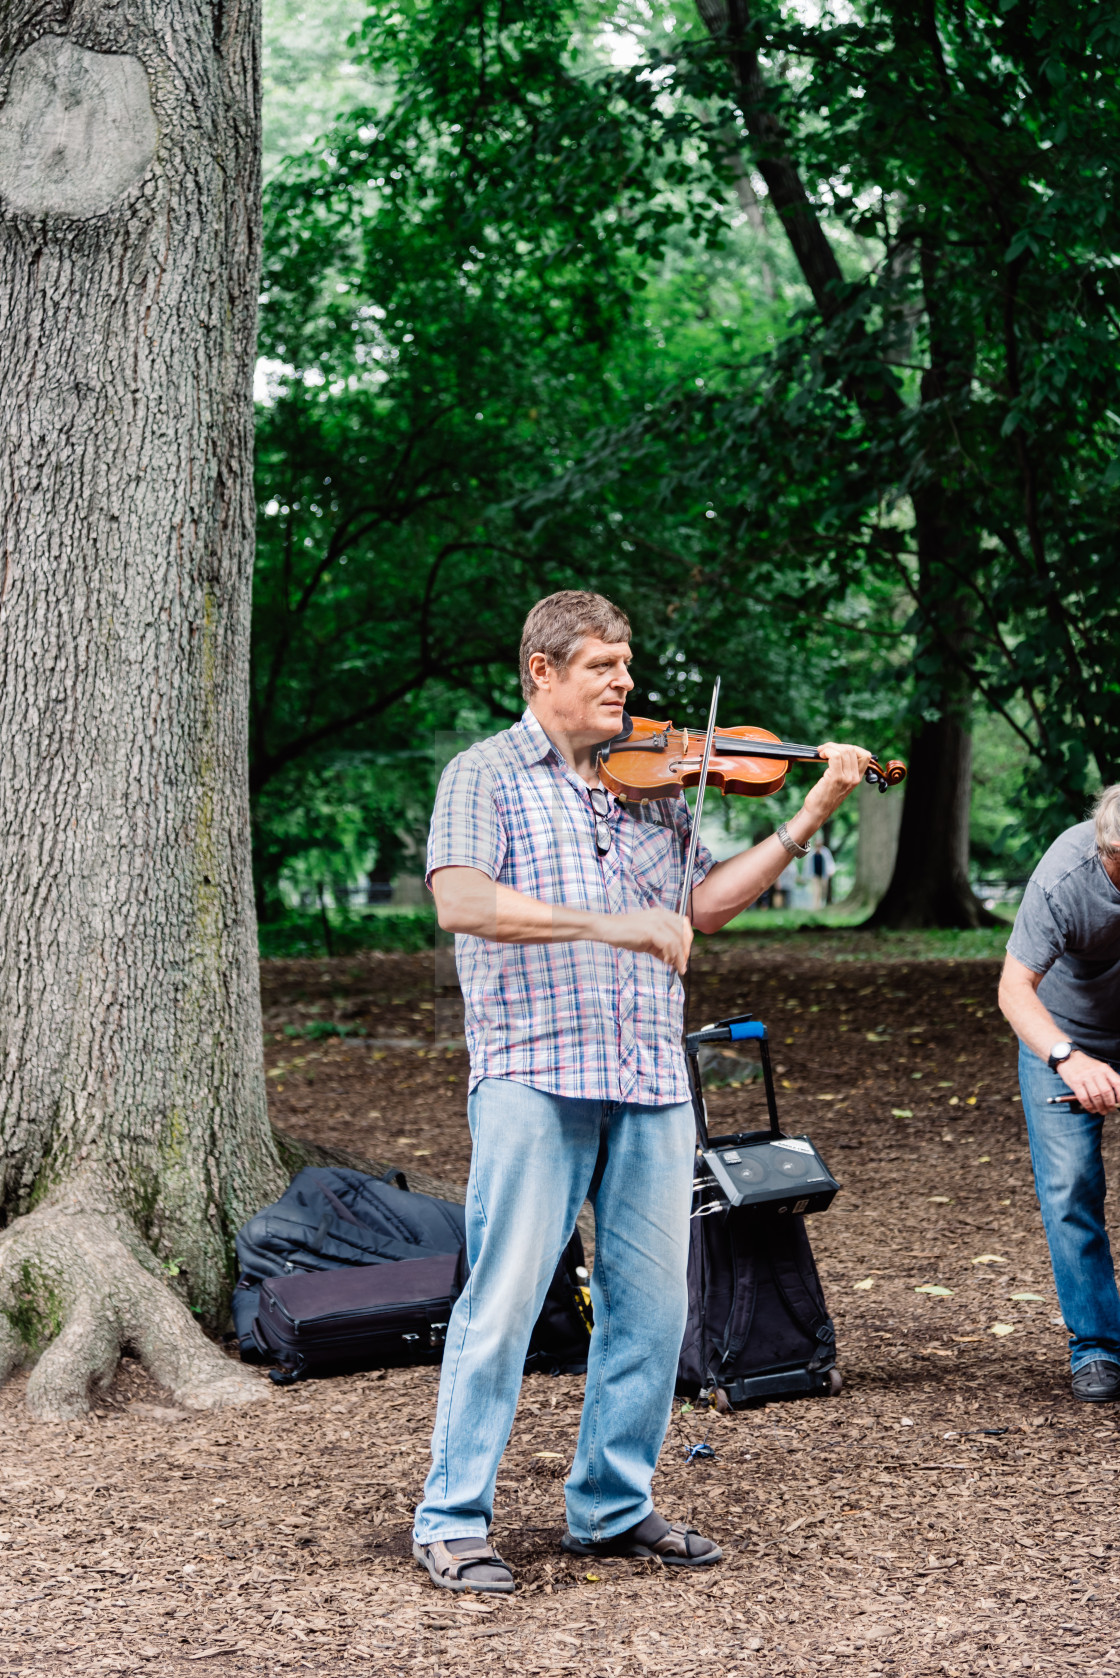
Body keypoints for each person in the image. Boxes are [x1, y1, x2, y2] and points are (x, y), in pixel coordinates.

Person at [413, 590, 871, 1594]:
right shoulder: (482, 774)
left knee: (655, 1310)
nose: (625, 683)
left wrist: (810, 812)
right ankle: (451, 1517)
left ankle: (611, 1507)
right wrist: (611, 923)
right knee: (504, 1302)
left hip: (651, 1079)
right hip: (535, 1074)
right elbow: (460, 899)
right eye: (602, 667)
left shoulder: (657, 788)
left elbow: (703, 906)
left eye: (627, 665)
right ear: (542, 671)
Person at [998, 786, 1120, 1403]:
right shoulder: (1067, 874)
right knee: (1071, 1184)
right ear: (1112, 850)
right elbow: (1014, 989)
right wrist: (1069, 1059)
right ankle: (1097, 1347)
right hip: (1064, 1036)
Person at [809, 836, 836, 909]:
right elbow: (808, 865)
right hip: (815, 875)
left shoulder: (826, 851)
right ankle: (815, 907)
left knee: (823, 891)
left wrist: (831, 871)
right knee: (816, 891)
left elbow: (830, 862)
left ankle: (822, 905)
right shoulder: (812, 852)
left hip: (824, 875)